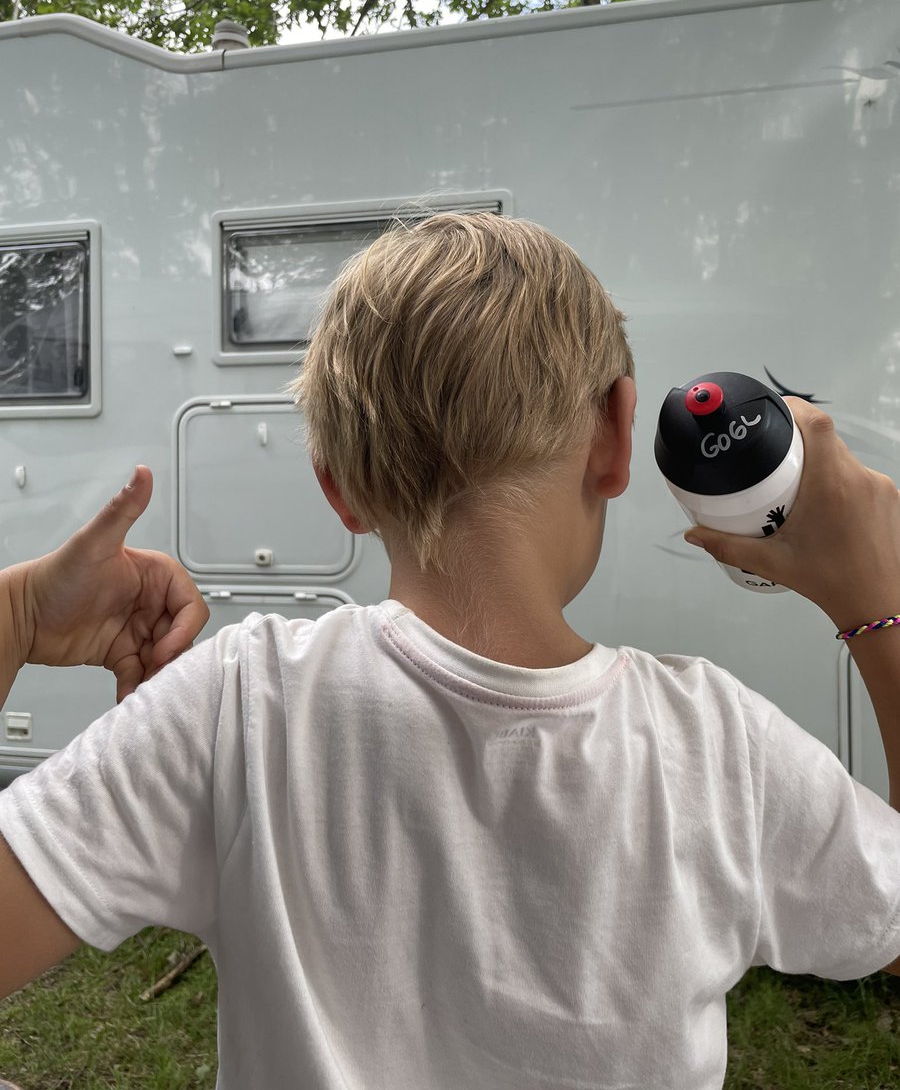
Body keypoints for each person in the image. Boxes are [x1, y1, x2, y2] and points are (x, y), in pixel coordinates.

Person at [1, 212, 899, 1090]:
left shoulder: (238, 703)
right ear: (619, 433)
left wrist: (15, 617)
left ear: (339, 490)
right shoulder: (718, 746)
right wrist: (877, 605)